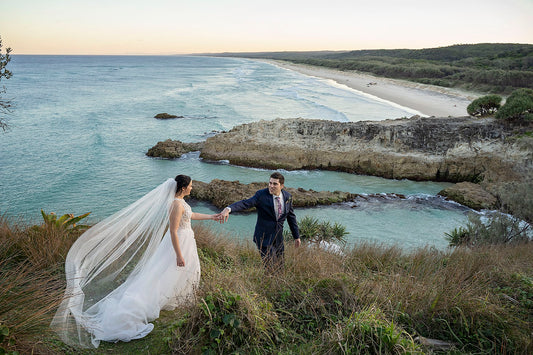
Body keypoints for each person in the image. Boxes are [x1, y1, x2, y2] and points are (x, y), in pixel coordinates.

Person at [51, 175, 223, 348]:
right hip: (178, 243)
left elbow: (191, 214)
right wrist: (179, 255)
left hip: (186, 240)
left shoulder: (181, 202)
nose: (192, 188)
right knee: (166, 272)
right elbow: (172, 231)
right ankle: (146, 304)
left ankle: (173, 297)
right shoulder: (176, 205)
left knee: (172, 273)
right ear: (183, 187)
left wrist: (212, 217)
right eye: (191, 186)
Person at [220, 172, 300, 269]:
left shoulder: (288, 197)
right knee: (270, 267)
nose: (271, 186)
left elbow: (291, 218)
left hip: (278, 238)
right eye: (270, 183)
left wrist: (296, 236)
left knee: (280, 266)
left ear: (282, 186)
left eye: (275, 184)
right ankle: (268, 282)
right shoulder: (261, 195)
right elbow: (246, 203)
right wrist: (228, 209)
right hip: (264, 239)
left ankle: (276, 283)